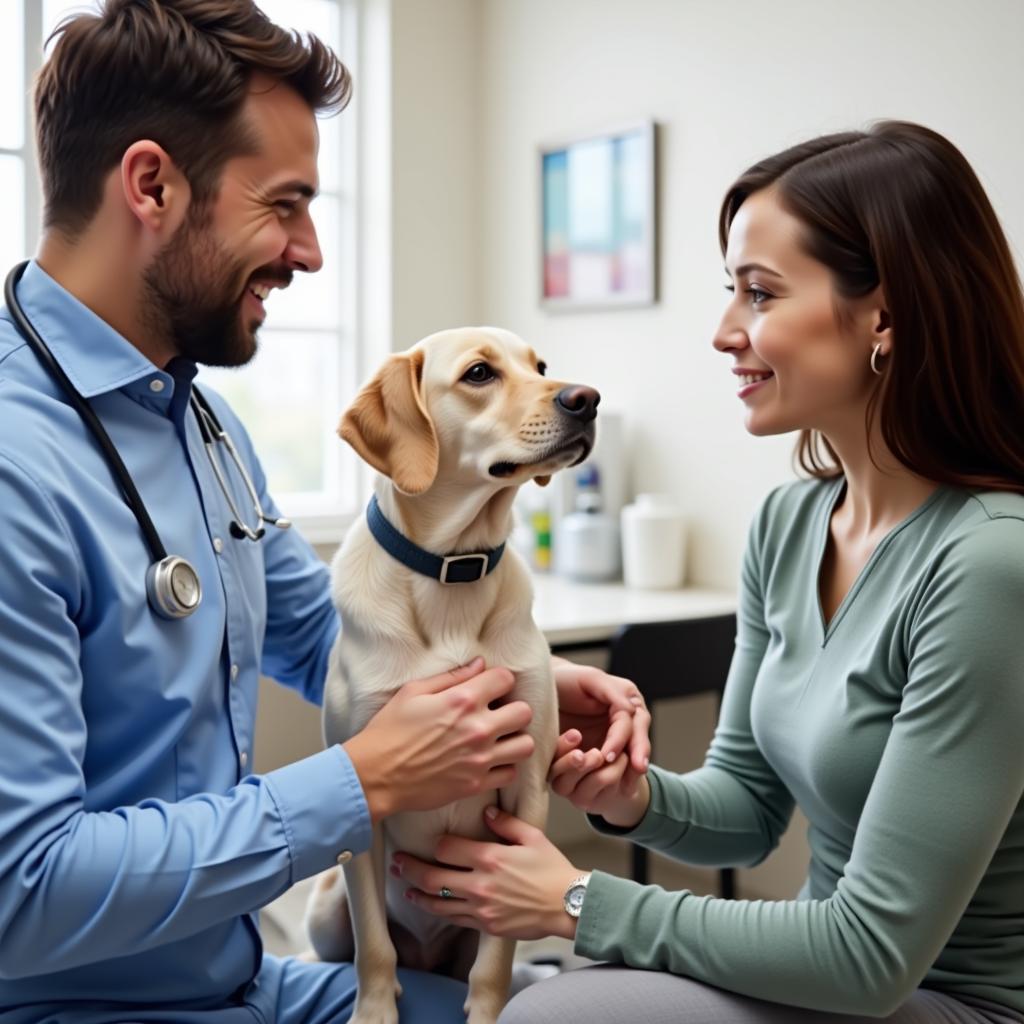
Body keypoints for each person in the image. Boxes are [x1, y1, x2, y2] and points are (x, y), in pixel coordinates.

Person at [0, 3, 648, 1022]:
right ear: (152, 185)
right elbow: (19, 892)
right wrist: (357, 784)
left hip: (250, 981)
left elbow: (322, 635)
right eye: (285, 204)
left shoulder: (202, 427)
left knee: (585, 1011)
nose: (308, 251)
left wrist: (525, 683)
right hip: (87, 1009)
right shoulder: (14, 466)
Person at [392, 120, 1024, 1024]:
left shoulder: (992, 562)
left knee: (545, 1010)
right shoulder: (791, 523)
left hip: (950, 1002)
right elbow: (748, 806)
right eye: (731, 291)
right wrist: (626, 793)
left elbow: (871, 957)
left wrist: (575, 901)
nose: (726, 331)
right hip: (840, 982)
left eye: (759, 294)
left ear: (884, 313)